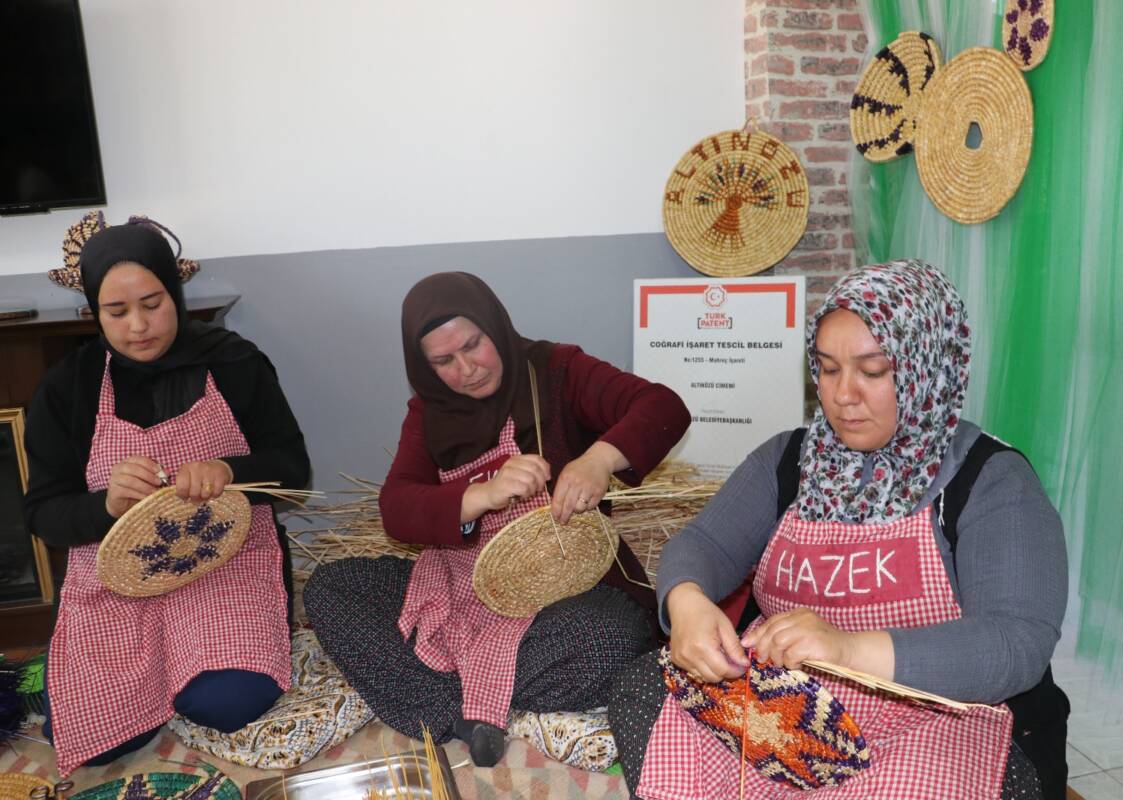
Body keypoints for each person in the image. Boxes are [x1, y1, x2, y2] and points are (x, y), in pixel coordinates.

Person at [609, 260, 1070, 800]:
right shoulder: (787, 460)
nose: (842, 395)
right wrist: (686, 602)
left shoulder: (989, 479)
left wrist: (848, 649)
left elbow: (1015, 643)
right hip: (788, 719)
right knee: (643, 687)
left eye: (872, 371)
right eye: (827, 369)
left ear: (928, 367)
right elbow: (704, 543)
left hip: (940, 723)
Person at [304, 271, 689, 766]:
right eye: (443, 361)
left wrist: (598, 460)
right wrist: (480, 495)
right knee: (331, 587)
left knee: (613, 636)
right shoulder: (428, 413)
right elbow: (396, 509)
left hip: (562, 594)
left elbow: (663, 406)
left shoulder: (558, 371)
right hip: (457, 590)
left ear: (494, 326)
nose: (467, 369)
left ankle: (436, 691)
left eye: (474, 345)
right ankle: (455, 712)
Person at [23, 221, 311, 775]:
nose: (138, 327)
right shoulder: (68, 388)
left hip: (225, 563)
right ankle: (146, 677)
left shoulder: (234, 363)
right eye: (116, 312)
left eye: (152, 304)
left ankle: (182, 676)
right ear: (93, 312)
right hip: (117, 580)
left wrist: (229, 469)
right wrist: (104, 505)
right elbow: (43, 514)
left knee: (224, 704)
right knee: (90, 733)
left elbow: (293, 471)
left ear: (174, 293)